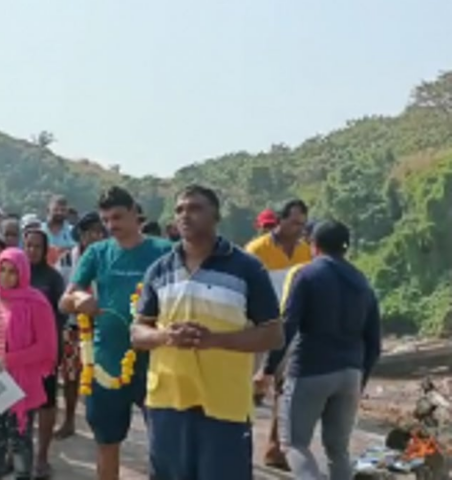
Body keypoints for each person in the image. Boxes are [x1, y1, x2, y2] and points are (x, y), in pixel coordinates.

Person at [131, 184, 283, 480]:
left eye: (195, 208)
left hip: (224, 406)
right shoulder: (159, 270)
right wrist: (166, 337)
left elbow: (274, 334)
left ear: (216, 216)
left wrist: (215, 340)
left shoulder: (247, 269)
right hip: (168, 403)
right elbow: (137, 333)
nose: (185, 215)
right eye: (179, 210)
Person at [59, 186, 172, 480]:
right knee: (107, 444)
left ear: (136, 213)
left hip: (156, 362)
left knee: (164, 446)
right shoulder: (98, 253)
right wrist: (79, 300)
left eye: (118, 218)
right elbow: (64, 301)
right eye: (106, 220)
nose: (111, 226)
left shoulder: (164, 252)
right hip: (107, 364)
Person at [262, 220, 381, 480]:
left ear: (313, 245)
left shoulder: (307, 275)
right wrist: (361, 380)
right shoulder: (362, 282)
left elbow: (289, 325)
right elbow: (374, 343)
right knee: (338, 450)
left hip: (311, 369)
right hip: (350, 372)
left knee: (294, 444)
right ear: (345, 247)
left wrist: (269, 368)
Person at [0, 248, 59, 480]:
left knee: (20, 444)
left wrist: (11, 359)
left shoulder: (36, 303)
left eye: (13, 272)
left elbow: (47, 347)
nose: (6, 277)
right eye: (2, 270)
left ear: (23, 273)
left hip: (23, 386)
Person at [245, 199, 312, 470]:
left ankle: (274, 448)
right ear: (280, 220)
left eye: (303, 224)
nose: (299, 229)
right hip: (257, 328)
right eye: (295, 223)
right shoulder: (256, 250)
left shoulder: (306, 251)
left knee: (285, 392)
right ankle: (241, 444)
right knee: (250, 389)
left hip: (289, 330)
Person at [54, 212, 106, 439]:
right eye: (91, 231)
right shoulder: (66, 261)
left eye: (99, 231)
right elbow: (60, 297)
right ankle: (69, 420)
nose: (96, 236)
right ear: (82, 235)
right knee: (71, 377)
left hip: (101, 327)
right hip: (73, 327)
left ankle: (100, 422)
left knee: (101, 376)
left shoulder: (109, 258)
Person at [23, 228, 67, 478]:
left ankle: (42, 457)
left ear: (45, 249)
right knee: (18, 402)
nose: (32, 251)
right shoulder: (15, 275)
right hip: (18, 353)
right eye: (28, 245)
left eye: (37, 246)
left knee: (46, 403)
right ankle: (19, 452)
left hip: (46, 351)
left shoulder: (53, 278)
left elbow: (59, 315)